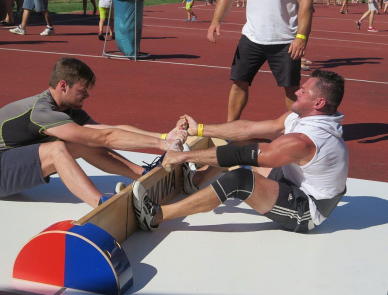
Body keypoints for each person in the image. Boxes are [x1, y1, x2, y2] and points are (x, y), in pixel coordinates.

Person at [132, 69, 349, 233]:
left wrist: (184, 156)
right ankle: (195, 181)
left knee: (241, 179)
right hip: (293, 178)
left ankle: (156, 216)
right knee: (240, 143)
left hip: (307, 208)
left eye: (304, 91)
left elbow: (246, 156)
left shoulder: (307, 140)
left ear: (319, 102)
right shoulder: (304, 116)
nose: (297, 91)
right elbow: (248, 129)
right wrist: (198, 129)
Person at [0, 57, 187, 208]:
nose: (87, 95)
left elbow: (109, 130)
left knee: (83, 141)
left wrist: (162, 137)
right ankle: (101, 204)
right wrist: (161, 145)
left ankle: (141, 174)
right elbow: (106, 137)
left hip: (7, 163)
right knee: (57, 149)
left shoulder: (67, 110)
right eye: (82, 90)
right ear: (63, 85)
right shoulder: (42, 112)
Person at [207, 0, 314, 122]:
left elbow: (306, 3)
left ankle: (300, 127)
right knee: (238, 83)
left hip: (285, 40)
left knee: (291, 88)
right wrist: (216, 21)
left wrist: (301, 37)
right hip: (251, 37)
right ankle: (230, 127)